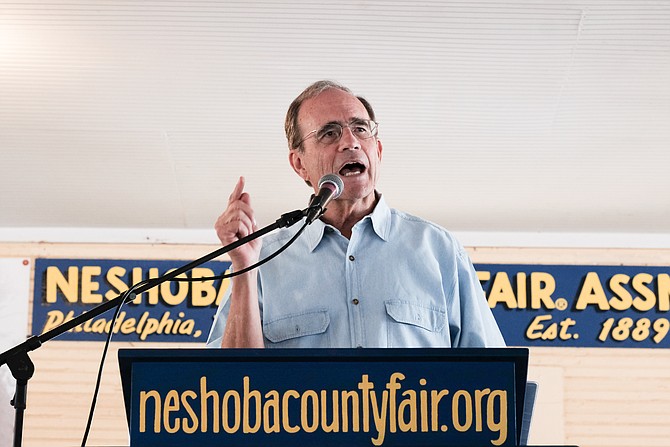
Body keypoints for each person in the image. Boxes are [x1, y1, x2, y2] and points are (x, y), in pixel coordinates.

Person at [206, 80, 504, 349]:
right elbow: (231, 391)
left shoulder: (438, 250)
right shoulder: (264, 259)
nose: (350, 142)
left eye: (361, 129)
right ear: (300, 165)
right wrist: (244, 267)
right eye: (329, 133)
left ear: (378, 150)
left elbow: (495, 384)